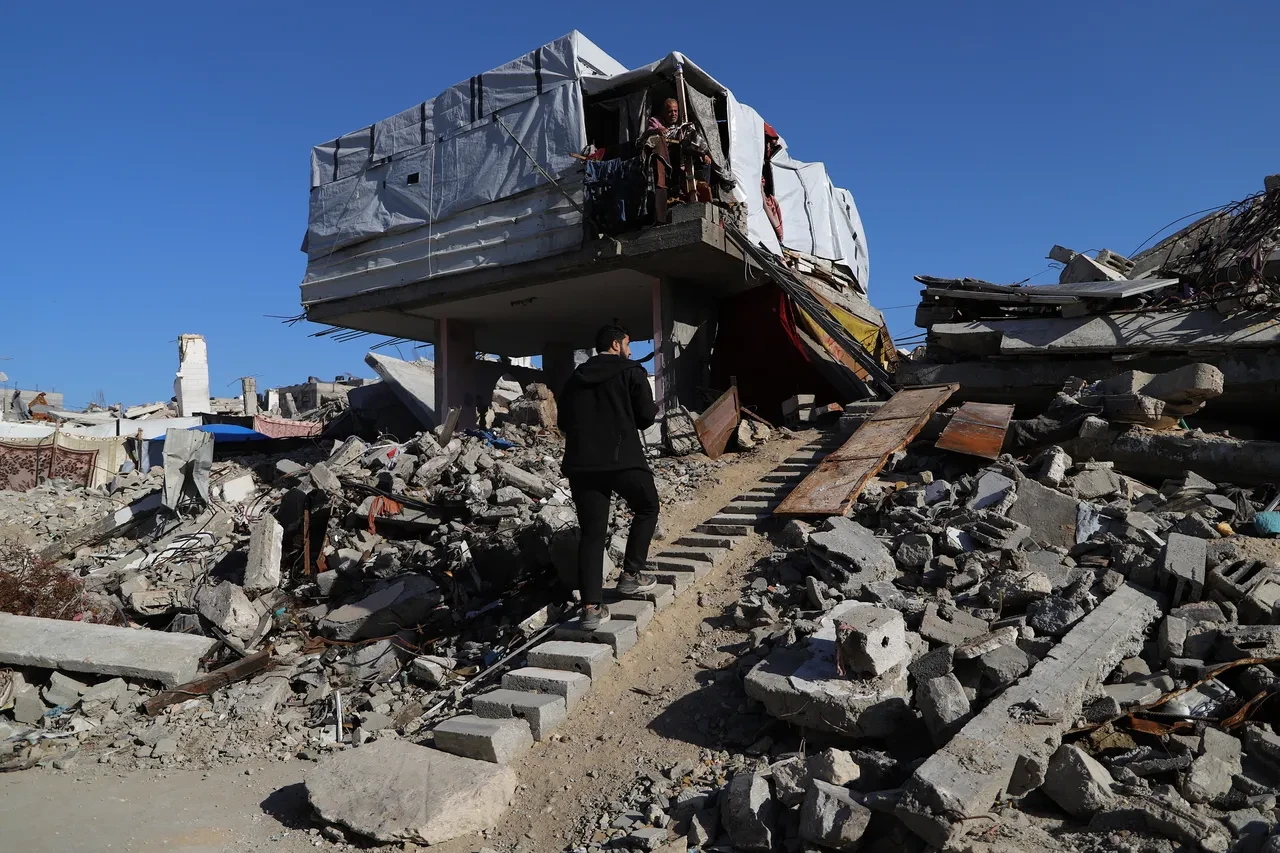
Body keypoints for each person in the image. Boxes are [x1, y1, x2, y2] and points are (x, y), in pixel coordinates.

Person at [557, 324, 660, 629]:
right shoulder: (632, 371)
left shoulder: (575, 379)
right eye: (627, 344)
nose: (630, 350)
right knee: (647, 507)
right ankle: (630, 575)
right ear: (616, 345)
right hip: (623, 460)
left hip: (582, 466)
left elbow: (564, 422)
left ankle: (590, 608)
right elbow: (645, 418)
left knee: (592, 533)